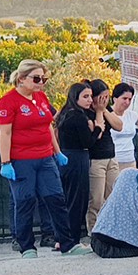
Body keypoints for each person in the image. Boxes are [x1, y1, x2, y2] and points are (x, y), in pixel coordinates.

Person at [0, 59, 92, 258]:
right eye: (37, 78)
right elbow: (5, 134)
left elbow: (48, 125)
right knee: (25, 201)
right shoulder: (8, 102)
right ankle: (27, 247)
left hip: (45, 157)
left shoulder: (40, 97)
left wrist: (57, 152)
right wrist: (6, 162)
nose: (41, 82)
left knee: (56, 199)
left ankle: (67, 243)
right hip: (21, 160)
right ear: (22, 79)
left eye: (44, 79)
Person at [0, 112, 56, 251]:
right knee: (18, 199)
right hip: (18, 157)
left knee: (45, 196)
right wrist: (3, 140)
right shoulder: (8, 103)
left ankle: (48, 234)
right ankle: (19, 237)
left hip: (40, 156)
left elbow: (53, 121)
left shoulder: (38, 101)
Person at [56, 82, 104, 243]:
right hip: (77, 158)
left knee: (69, 198)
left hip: (68, 157)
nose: (90, 100)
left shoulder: (66, 112)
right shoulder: (77, 116)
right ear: (75, 97)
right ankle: (72, 239)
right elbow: (88, 142)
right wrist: (97, 128)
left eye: (90, 96)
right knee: (77, 200)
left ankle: (64, 237)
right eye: (85, 96)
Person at [85, 79, 123, 233]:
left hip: (111, 156)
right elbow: (97, 133)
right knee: (96, 198)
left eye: (107, 97)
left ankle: (111, 227)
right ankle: (93, 229)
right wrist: (98, 111)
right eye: (102, 97)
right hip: (96, 159)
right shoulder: (87, 112)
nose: (104, 100)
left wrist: (104, 109)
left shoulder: (106, 109)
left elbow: (119, 126)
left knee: (112, 194)